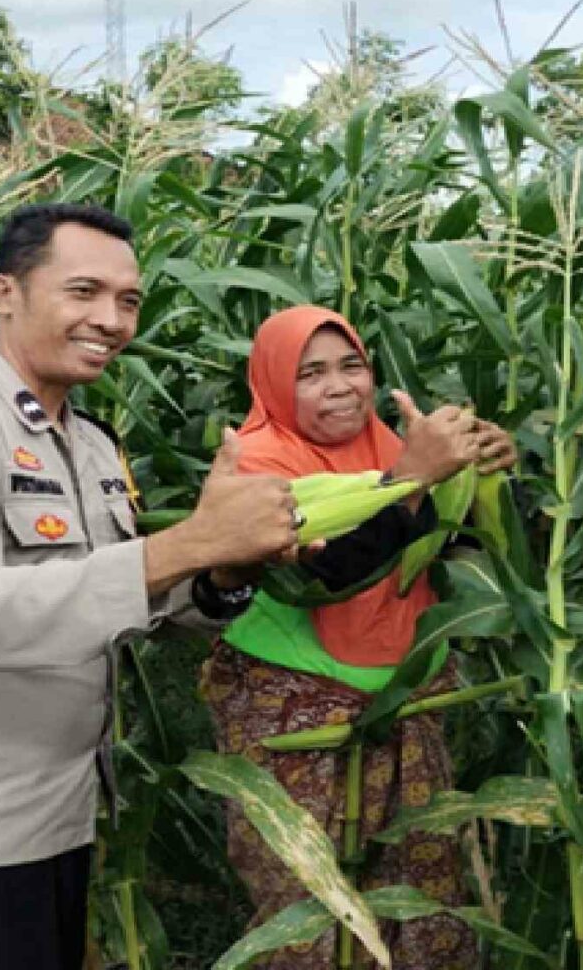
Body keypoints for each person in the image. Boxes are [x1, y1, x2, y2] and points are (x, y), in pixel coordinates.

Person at [0, 203, 303, 970]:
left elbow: (126, 596)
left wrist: (227, 569)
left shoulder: (90, 445)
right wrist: (192, 540)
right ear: (4, 292)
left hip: (62, 817)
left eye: (129, 300)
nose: (112, 320)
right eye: (84, 291)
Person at [203, 305, 517, 970]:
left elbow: (448, 550)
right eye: (310, 374)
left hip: (407, 697)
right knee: (308, 906)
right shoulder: (255, 466)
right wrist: (411, 480)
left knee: (418, 900)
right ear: (272, 383)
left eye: (352, 366)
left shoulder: (394, 445)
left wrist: (481, 472)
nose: (340, 386)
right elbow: (324, 576)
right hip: (293, 709)